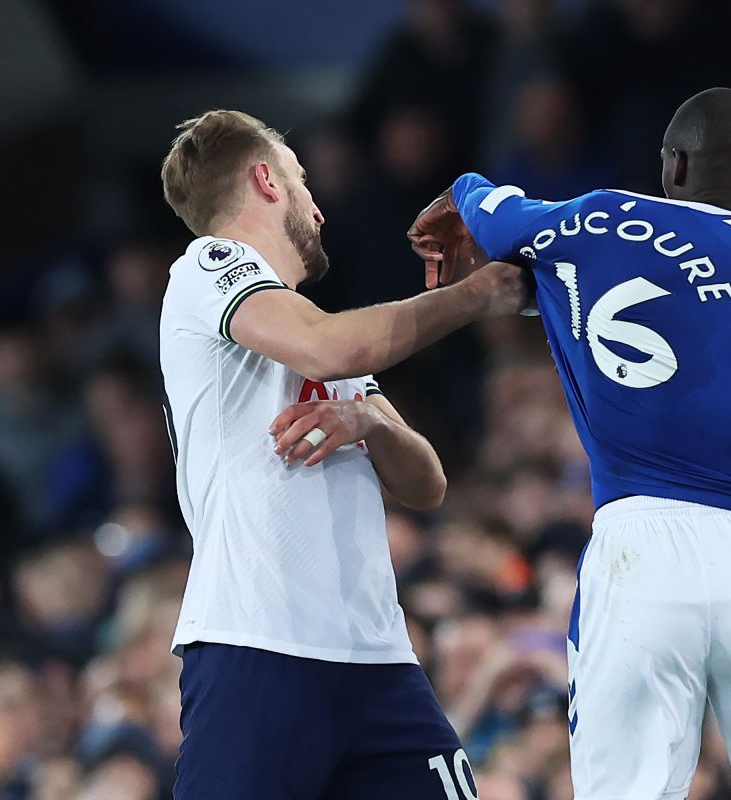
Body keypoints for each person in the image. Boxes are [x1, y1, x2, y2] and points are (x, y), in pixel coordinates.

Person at [409, 88, 731, 799]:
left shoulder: (598, 218)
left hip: (640, 550)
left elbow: (494, 215)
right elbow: (723, 312)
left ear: (672, 166)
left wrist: (463, 193)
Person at [158, 109, 527, 799]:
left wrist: (372, 425)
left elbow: (427, 484)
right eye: (301, 180)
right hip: (259, 646)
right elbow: (336, 346)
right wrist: (475, 295)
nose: (319, 208)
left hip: (377, 657)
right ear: (265, 180)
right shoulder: (212, 265)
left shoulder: (310, 332)